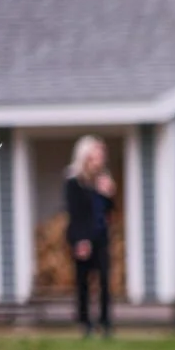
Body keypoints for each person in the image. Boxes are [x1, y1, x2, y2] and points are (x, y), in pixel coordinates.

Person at [63, 136, 117, 337]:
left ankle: (105, 321)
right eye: (97, 155)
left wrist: (109, 193)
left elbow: (109, 211)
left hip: (101, 237)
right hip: (82, 238)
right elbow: (74, 213)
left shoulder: (102, 180)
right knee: (83, 282)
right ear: (85, 157)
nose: (101, 159)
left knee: (104, 280)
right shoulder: (74, 181)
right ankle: (84, 323)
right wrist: (80, 240)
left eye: (102, 155)